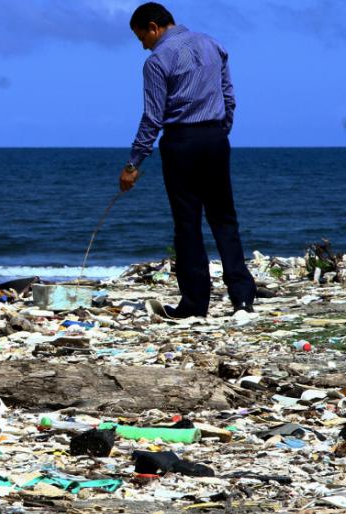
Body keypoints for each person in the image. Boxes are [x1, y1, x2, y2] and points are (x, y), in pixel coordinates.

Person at [119, 2, 257, 318]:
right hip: (215, 138)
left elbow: (152, 117)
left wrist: (133, 164)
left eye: (142, 37)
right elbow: (229, 96)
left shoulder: (157, 61)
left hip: (181, 141)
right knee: (224, 218)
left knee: (187, 223)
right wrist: (220, 131)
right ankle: (242, 297)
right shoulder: (213, 44)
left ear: (153, 27)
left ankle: (195, 303)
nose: (143, 45)